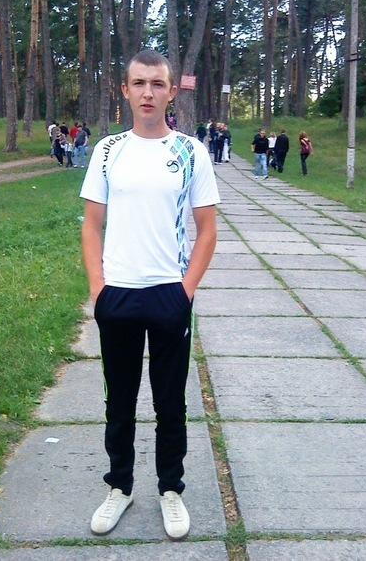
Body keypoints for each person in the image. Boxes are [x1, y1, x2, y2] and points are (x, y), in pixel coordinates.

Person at [80, 49, 219, 542]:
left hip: (168, 295)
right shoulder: (107, 150)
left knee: (170, 404)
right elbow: (91, 225)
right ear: (125, 90)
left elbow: (207, 230)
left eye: (157, 84)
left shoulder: (190, 152)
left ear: (171, 92)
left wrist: (185, 292)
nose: (147, 93)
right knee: (118, 402)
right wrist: (98, 290)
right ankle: (119, 487)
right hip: (117, 294)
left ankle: (170, 490)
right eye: (138, 83)